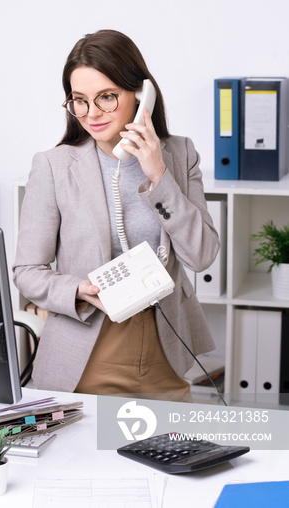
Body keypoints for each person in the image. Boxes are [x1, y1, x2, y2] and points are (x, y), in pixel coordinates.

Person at [13, 29, 219, 398]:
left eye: (107, 97)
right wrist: (78, 289)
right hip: (88, 353)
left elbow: (201, 256)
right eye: (79, 100)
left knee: (180, 453)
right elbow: (27, 273)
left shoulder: (180, 155)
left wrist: (158, 173)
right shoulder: (54, 166)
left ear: (141, 96)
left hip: (164, 348)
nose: (91, 114)